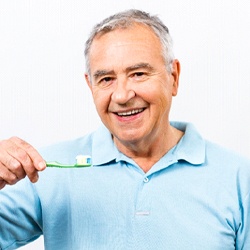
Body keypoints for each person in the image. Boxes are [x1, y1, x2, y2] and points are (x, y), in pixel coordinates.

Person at [0, 9, 249, 250]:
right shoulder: (47, 171)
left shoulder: (239, 179)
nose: (121, 95)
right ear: (90, 85)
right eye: (106, 79)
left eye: (138, 74)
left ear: (173, 77)